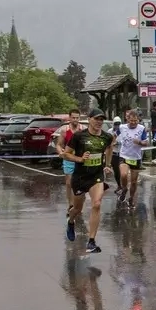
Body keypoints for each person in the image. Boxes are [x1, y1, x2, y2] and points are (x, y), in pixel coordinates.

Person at [63, 109, 115, 254]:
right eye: (96, 119)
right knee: (77, 209)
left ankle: (91, 241)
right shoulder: (79, 136)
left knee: (96, 204)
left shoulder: (106, 137)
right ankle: (71, 221)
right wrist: (80, 159)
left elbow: (110, 147)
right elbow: (66, 154)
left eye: (101, 119)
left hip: (96, 176)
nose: (99, 122)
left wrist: (108, 165)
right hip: (80, 177)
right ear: (89, 119)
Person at [116, 108, 149, 208]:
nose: (133, 122)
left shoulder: (141, 128)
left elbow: (146, 143)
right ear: (127, 119)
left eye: (135, 120)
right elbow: (114, 135)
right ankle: (124, 188)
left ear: (138, 120)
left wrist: (139, 142)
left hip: (135, 157)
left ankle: (131, 198)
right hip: (124, 155)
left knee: (134, 182)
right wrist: (111, 142)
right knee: (124, 174)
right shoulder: (122, 127)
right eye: (131, 120)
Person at [54, 109, 83, 202]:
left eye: (77, 118)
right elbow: (58, 145)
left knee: (80, 183)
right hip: (68, 159)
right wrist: (60, 152)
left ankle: (79, 202)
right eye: (73, 118)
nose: (75, 120)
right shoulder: (65, 130)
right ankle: (70, 204)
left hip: (80, 159)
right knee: (69, 183)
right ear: (69, 118)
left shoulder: (83, 129)